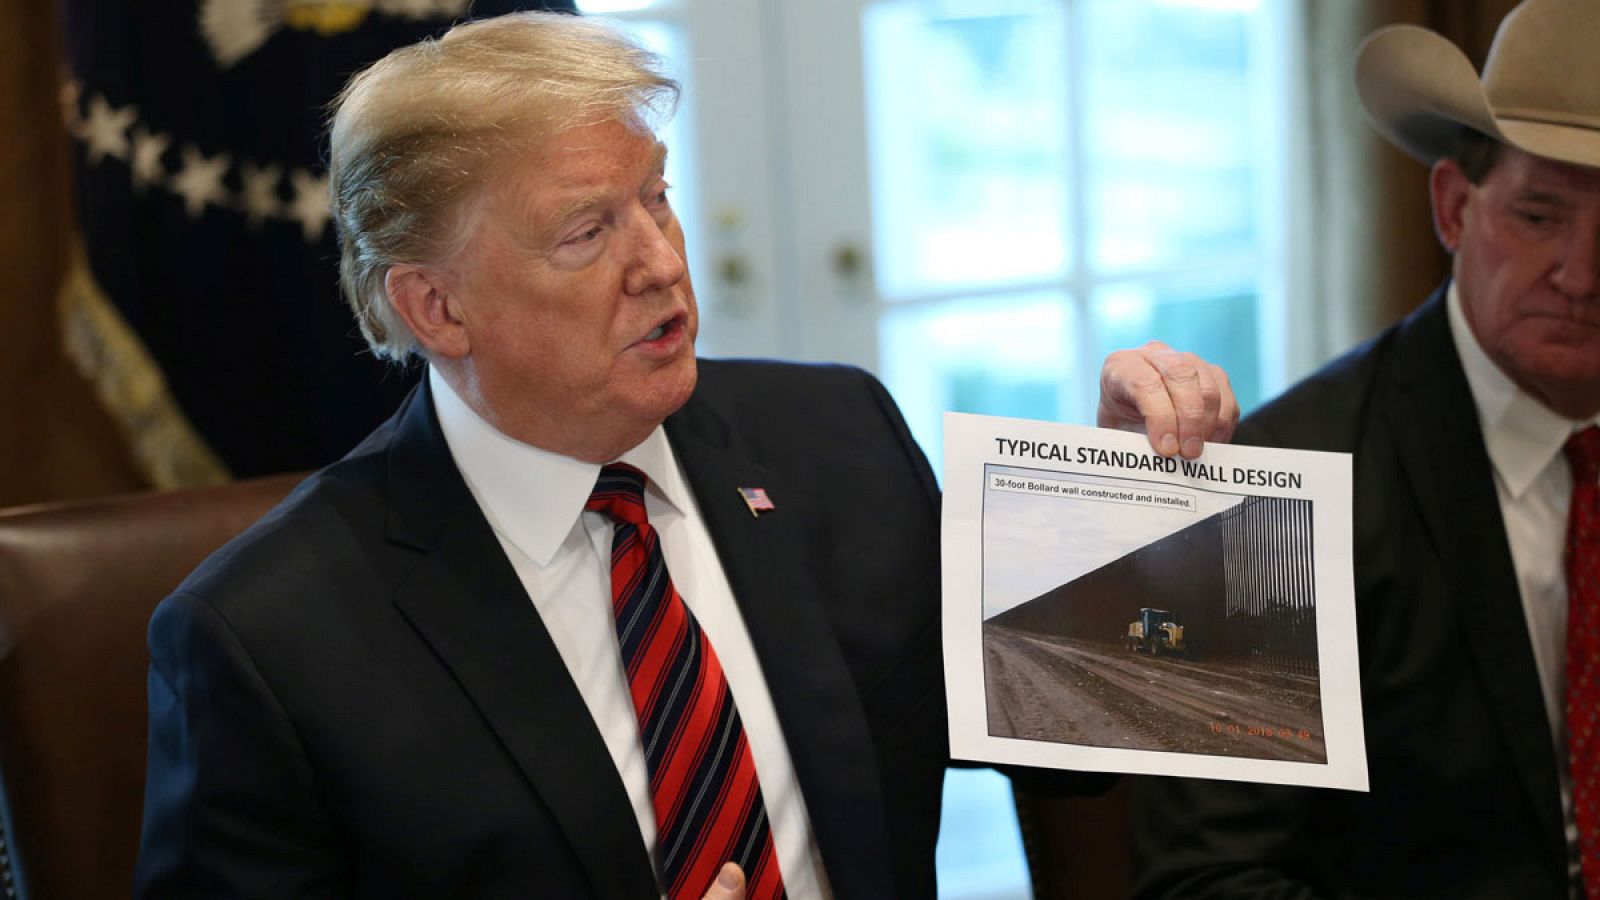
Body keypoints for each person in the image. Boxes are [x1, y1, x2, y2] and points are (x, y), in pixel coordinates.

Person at [133, 11, 1235, 899]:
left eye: (655, 197)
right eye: (587, 232)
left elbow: (1086, 726)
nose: (662, 261)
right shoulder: (265, 643)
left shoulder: (832, 441)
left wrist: (1132, 497)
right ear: (436, 307)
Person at [1129, 0, 1600, 897]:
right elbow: (1209, 878)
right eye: (1539, 217)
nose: (1582, 275)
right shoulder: (1295, 487)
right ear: (1455, 206)